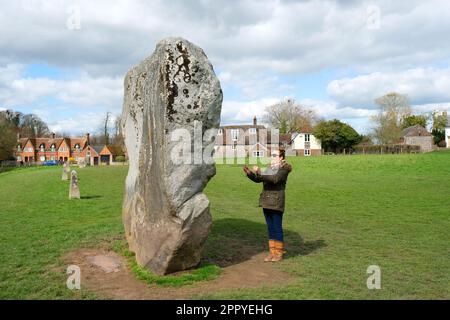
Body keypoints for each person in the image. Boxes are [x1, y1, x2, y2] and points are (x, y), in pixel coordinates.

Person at [243, 148, 292, 262]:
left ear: (281, 157)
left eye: (275, 155)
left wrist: (260, 170)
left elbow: (274, 179)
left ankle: (279, 253)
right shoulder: (270, 168)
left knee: (277, 228)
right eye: (272, 155)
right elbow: (259, 179)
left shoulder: (284, 169)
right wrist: (250, 173)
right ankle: (272, 253)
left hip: (276, 201)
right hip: (266, 201)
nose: (272, 157)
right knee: (270, 228)